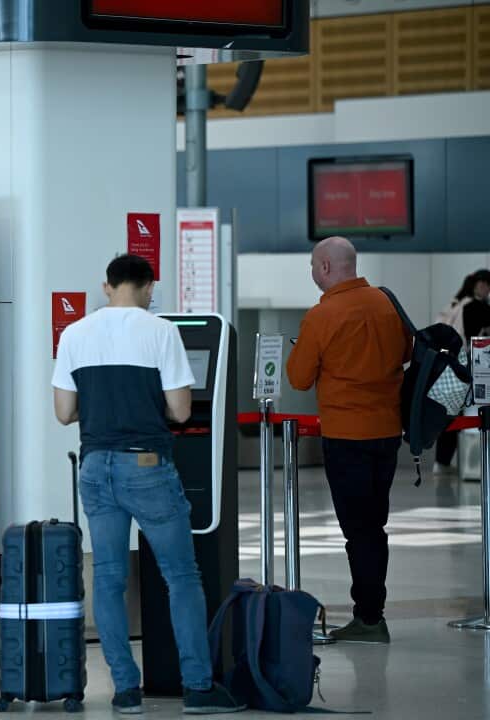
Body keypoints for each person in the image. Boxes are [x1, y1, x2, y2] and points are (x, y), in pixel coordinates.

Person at [52, 254, 244, 715]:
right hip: (148, 467)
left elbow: (63, 412)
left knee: (111, 579)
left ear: (106, 286)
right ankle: (197, 687)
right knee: (181, 577)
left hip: (96, 467)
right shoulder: (162, 332)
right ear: (149, 287)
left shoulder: (74, 334)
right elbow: (180, 410)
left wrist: (100, 407)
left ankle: (125, 690)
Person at [287, 236, 411, 644]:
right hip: (388, 432)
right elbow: (407, 351)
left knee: (359, 530)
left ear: (324, 267)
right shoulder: (386, 303)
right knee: (374, 526)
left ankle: (370, 619)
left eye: (311, 266)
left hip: (346, 436)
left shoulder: (323, 316)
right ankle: (372, 612)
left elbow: (299, 377)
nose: (310, 273)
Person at [433, 269, 490, 474]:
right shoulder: (474, 307)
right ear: (477, 285)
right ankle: (470, 464)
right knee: (473, 413)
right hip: (471, 365)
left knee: (452, 412)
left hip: (450, 366)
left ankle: (442, 462)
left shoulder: (455, 304)